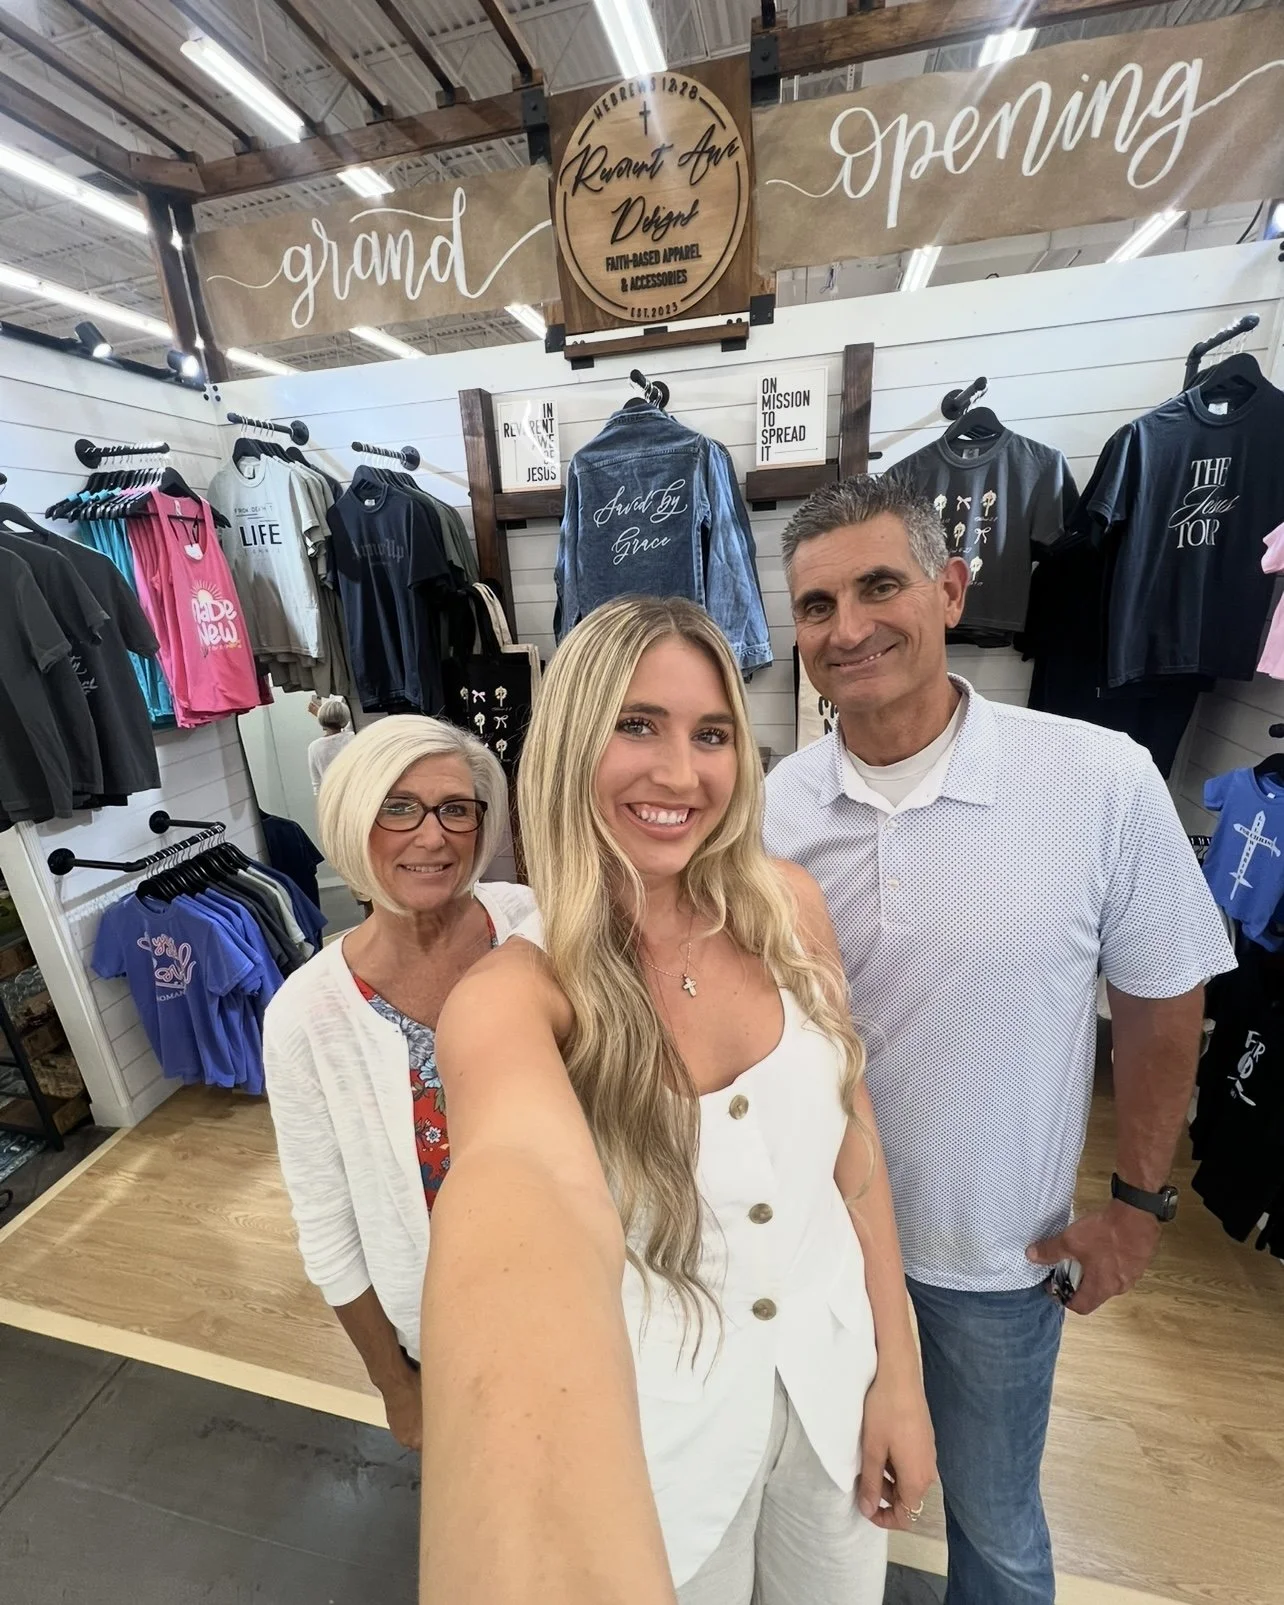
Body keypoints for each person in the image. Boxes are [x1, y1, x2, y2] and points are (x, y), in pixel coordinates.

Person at [762, 475, 1236, 1605]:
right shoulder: (775, 804)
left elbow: (1168, 1000)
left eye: (881, 586)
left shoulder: (1095, 778)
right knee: (819, 1501)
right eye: (819, 605)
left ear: (952, 589)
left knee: (998, 1529)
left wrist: (1140, 1206)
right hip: (814, 1249)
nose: (851, 627)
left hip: (992, 1263)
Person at [431, 596, 935, 1603]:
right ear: (572, 740)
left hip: (832, 1399)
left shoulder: (788, 905)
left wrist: (902, 1376)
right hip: (652, 1447)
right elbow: (508, 1202)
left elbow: (854, 1148)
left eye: (710, 734)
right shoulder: (512, 1001)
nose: (680, 773)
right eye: (636, 725)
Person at [261, 716, 535, 1451]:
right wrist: (396, 1385)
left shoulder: (538, 928)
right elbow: (327, 1227)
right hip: (444, 1330)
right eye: (397, 806)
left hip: (581, 1295)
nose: (432, 835)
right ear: (355, 820)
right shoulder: (306, 1015)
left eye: (455, 807)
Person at [307, 694, 355, 794]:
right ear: (346, 719)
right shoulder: (354, 738)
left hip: (331, 797)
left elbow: (317, 784)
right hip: (356, 792)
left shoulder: (314, 747)